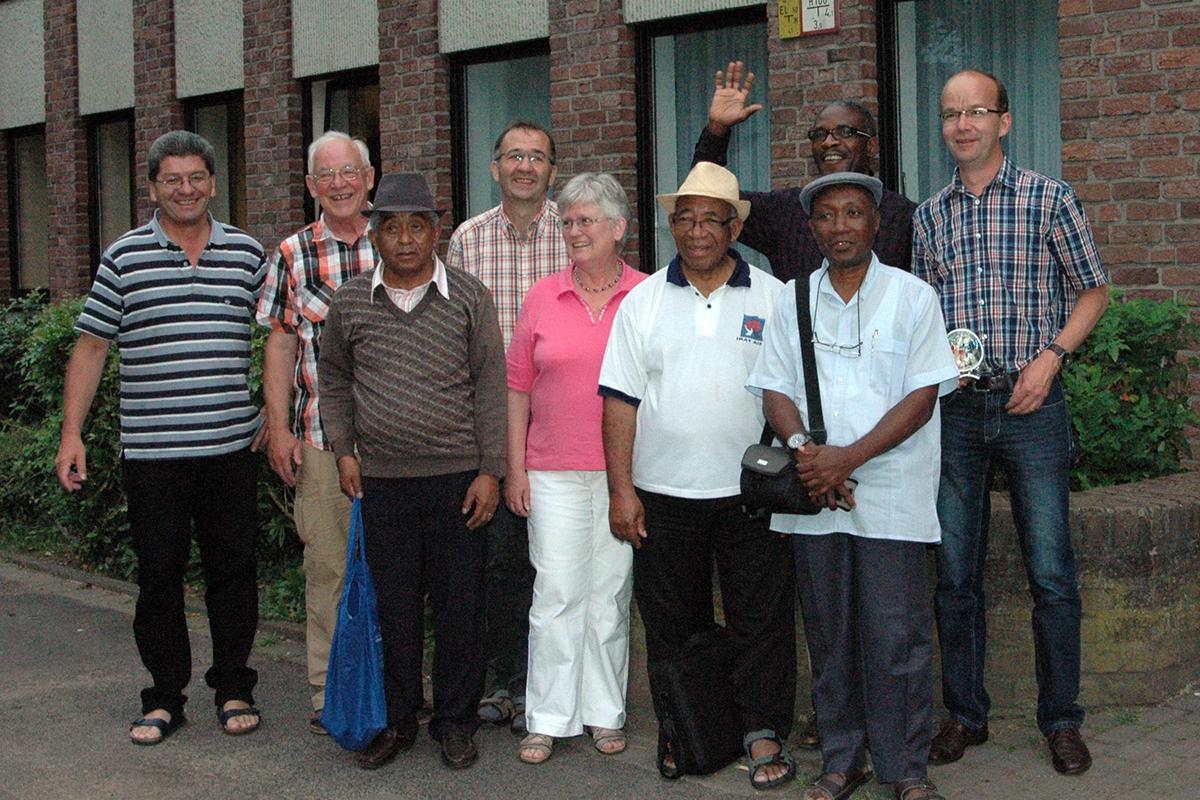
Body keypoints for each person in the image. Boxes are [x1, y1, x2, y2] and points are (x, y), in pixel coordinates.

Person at [912, 69, 1109, 777]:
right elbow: (923, 316)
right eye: (950, 114)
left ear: (1004, 120)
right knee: (955, 574)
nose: (962, 125)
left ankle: (1061, 720)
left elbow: (1093, 291)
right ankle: (966, 714)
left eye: (976, 112)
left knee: (1051, 572)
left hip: (1034, 403)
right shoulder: (929, 217)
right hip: (959, 409)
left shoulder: (1049, 198)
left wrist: (1051, 360)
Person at [747, 172, 959, 800]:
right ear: (812, 228)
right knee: (830, 635)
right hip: (815, 494)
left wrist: (849, 459)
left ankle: (906, 768)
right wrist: (806, 454)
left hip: (890, 494)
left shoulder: (914, 297)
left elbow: (922, 397)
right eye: (827, 216)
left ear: (876, 223)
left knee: (897, 637)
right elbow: (774, 387)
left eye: (853, 213)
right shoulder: (793, 299)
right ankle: (843, 760)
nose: (840, 227)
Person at [54, 130, 267, 745]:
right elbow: (92, 348)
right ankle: (165, 696)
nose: (185, 189)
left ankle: (234, 686)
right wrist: (71, 435)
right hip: (153, 456)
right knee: (159, 577)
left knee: (234, 573)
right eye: (172, 179)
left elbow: (282, 335)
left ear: (213, 183)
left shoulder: (247, 254)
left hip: (231, 449)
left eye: (196, 177)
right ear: (152, 189)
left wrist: (272, 418)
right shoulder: (124, 258)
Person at [599, 161, 796, 789]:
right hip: (662, 495)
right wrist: (621, 490)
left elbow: (792, 390)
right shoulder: (643, 302)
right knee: (672, 624)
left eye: (712, 219)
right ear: (672, 226)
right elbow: (620, 400)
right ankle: (686, 728)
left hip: (750, 492)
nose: (697, 231)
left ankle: (762, 732)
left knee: (760, 619)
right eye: (685, 219)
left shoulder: (774, 296)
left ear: (734, 228)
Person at [318, 172, 506, 771]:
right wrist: (345, 451)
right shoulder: (351, 301)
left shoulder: (469, 297)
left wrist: (491, 471)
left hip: (459, 481)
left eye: (416, 227)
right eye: (392, 227)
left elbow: (491, 388)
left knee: (460, 609)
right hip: (382, 484)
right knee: (393, 610)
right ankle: (398, 720)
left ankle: (455, 722)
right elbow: (334, 381)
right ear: (374, 235)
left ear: (435, 232)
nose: (404, 239)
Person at [505, 173, 648, 765]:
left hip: (624, 475)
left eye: (586, 220)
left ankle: (604, 710)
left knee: (610, 594)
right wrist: (515, 468)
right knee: (557, 593)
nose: (573, 231)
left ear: (618, 228)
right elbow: (517, 387)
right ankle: (547, 716)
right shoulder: (542, 296)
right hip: (552, 470)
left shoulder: (647, 294)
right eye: (566, 222)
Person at [447, 119, 570, 733]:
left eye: (537, 157)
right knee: (500, 562)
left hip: (564, 423)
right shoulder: (467, 241)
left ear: (553, 171)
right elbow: (452, 337)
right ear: (494, 168)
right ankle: (505, 681)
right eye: (514, 156)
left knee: (558, 564)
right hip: (494, 424)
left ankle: (553, 685)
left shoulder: (575, 231)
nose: (525, 166)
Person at [256, 130, 380, 735]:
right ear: (311, 185)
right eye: (326, 174)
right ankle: (328, 691)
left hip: (397, 443)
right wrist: (278, 429)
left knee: (397, 570)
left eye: (349, 171)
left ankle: (389, 686)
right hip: (322, 438)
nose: (339, 183)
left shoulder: (401, 238)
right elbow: (280, 344)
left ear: (369, 177)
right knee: (329, 567)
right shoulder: (292, 252)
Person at [693, 60, 916, 284]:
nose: (829, 142)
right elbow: (706, 196)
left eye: (845, 132)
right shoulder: (784, 211)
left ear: (871, 146)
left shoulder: (905, 217)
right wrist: (717, 129)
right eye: (819, 135)